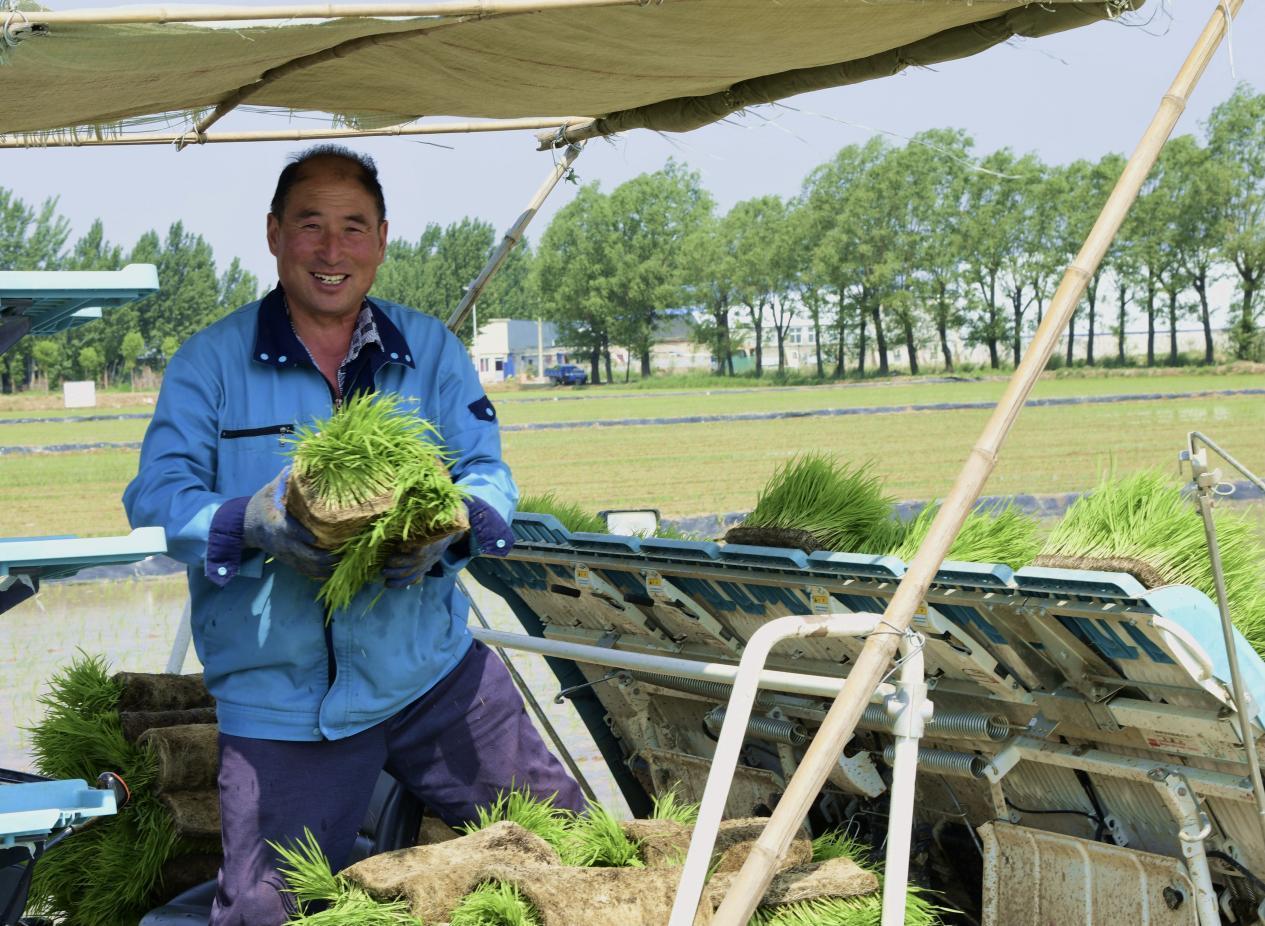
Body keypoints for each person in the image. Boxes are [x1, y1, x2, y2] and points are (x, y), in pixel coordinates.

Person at [123, 146, 584, 925]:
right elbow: (156, 496)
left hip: (432, 672)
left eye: (353, 227)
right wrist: (249, 521)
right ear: (274, 234)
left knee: (569, 853)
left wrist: (453, 525)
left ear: (380, 238)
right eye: (310, 225)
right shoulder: (212, 361)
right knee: (269, 911)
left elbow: (484, 469)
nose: (331, 251)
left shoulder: (427, 349)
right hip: (283, 698)